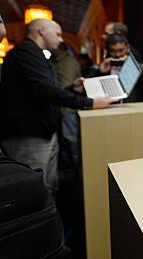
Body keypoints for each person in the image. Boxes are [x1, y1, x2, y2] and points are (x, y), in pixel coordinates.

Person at [0, 19, 113, 192]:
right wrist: (89, 103)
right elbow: (45, 90)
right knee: (34, 190)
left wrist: (71, 89)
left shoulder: (36, 53)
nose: (61, 40)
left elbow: (42, 91)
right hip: (29, 135)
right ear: (42, 31)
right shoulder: (26, 53)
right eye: (58, 34)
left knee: (48, 186)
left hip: (41, 132)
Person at [98, 33, 143, 102]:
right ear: (108, 50)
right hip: (110, 106)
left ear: (128, 48)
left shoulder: (136, 65)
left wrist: (137, 69)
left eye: (121, 50)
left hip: (134, 106)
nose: (117, 55)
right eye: (113, 51)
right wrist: (100, 72)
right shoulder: (105, 66)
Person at [53, 43, 82, 165]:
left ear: (58, 49)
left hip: (68, 108)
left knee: (71, 137)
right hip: (66, 106)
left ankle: (75, 166)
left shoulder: (67, 63)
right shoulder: (62, 61)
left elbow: (66, 86)